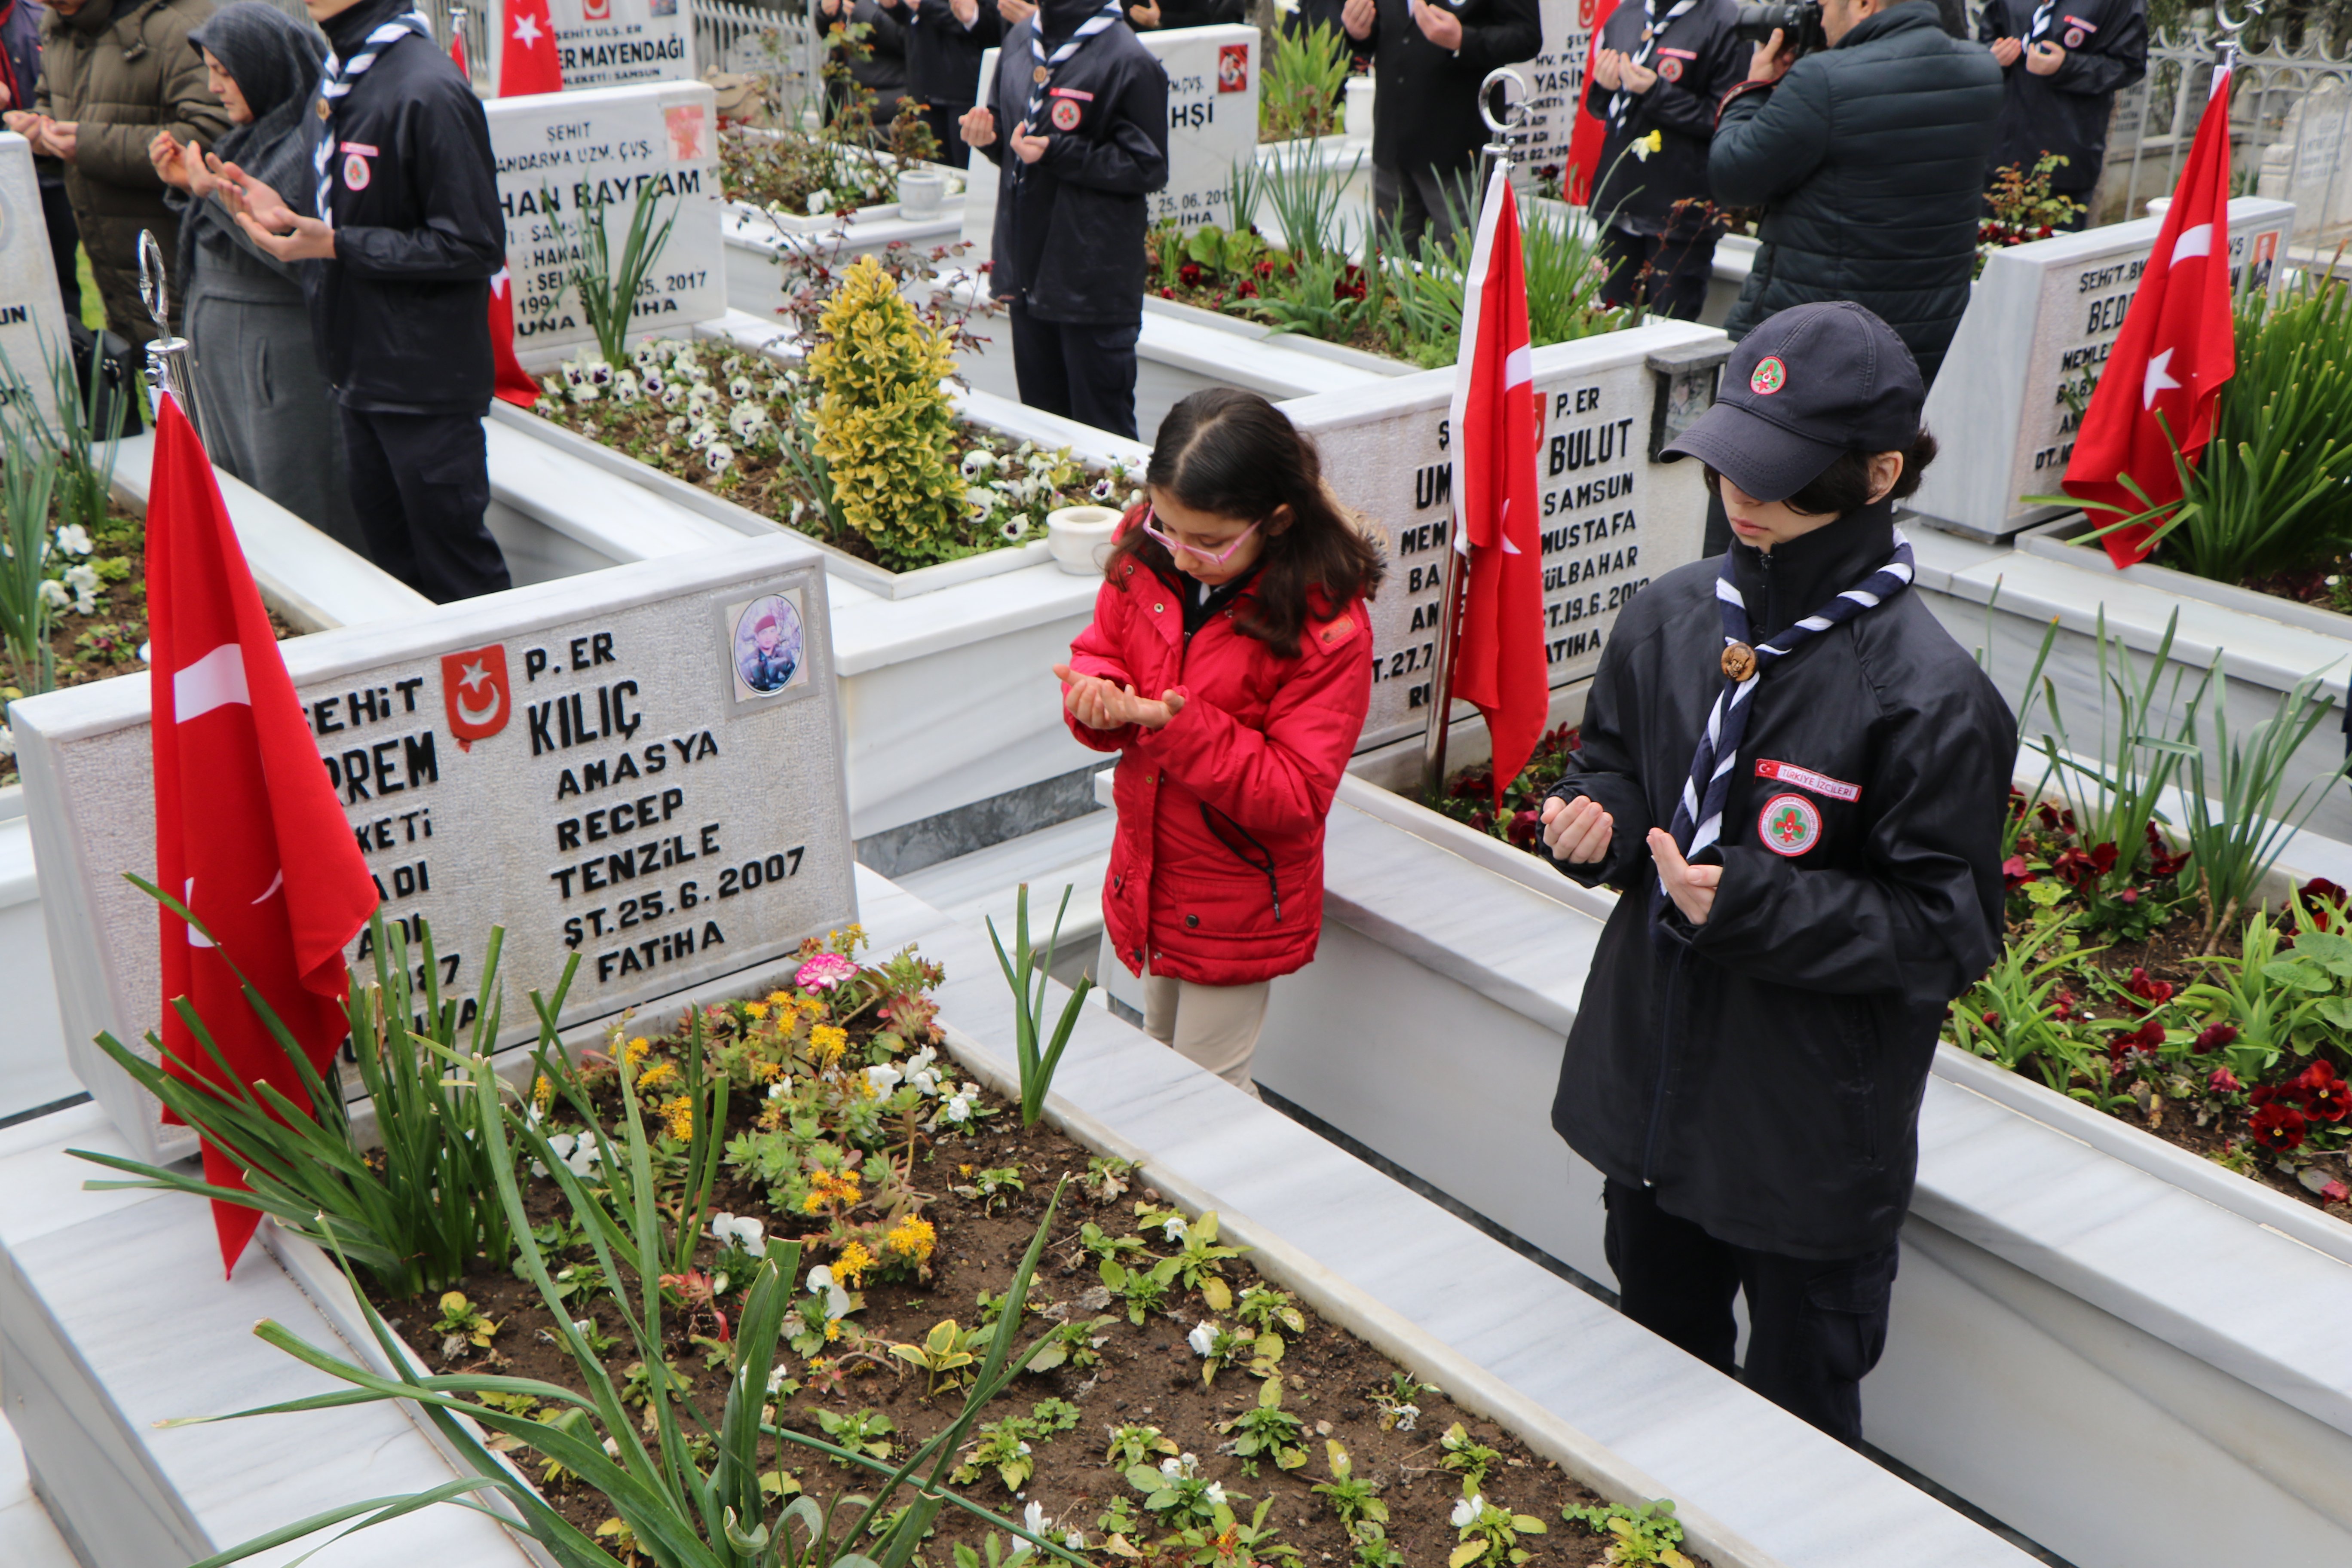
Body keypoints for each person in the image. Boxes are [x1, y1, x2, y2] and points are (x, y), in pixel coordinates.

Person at [1536, 302, 2012, 1446]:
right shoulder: (1671, 619)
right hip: (1652, 1114)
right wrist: (1601, 812)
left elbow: (1944, 930)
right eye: (1731, 465)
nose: (1740, 497)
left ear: (1880, 472)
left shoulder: (1928, 698)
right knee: (1655, 1384)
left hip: (1803, 1153)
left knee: (1798, 1428)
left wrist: (1749, 902)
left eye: (1783, 478)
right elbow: (1619, 756)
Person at [1054, 388, 1384, 1095]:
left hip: (1238, 893)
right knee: (1156, 1056)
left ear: (1278, 520)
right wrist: (1097, 695)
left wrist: (1169, 724)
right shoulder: (1145, 554)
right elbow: (1103, 646)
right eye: (1167, 526)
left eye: (1208, 541)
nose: (1183, 552)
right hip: (1151, 868)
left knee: (1207, 1089)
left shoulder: (1326, 625)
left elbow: (1297, 795)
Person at [214, 0, 511, 604]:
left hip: (423, 389)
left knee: (459, 574)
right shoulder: (342, 74)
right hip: (356, 374)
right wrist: (280, 207)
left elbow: (474, 244)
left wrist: (341, 244)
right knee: (394, 573)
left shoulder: (427, 89)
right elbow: (343, 207)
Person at [147, 2, 359, 551]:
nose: (215, 88)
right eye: (211, 71)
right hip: (234, 366)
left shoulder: (307, 146)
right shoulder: (253, 137)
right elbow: (225, 235)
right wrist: (188, 186)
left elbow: (289, 254)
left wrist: (211, 196)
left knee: (299, 508)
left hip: (277, 372)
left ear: (265, 66)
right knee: (252, 507)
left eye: (225, 71)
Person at [1707, 0, 2002, 386]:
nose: (1821, 16)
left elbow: (1733, 178)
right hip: (1924, 339)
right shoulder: (1982, 71)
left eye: (1825, 5)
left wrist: (1753, 89)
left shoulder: (1824, 80)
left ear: (1864, 5)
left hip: (1816, 341)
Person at [961, 0, 1167, 439]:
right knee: (1043, 431)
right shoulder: (1020, 40)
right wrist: (991, 134)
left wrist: (1060, 152)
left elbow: (1148, 167)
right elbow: (1014, 135)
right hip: (1028, 275)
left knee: (1101, 434)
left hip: (1091, 284)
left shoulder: (1127, 59)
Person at [6, 0, 227, 352]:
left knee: (200, 387)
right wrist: (39, 129)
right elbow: (54, 100)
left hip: (195, 265)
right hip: (119, 266)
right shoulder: (58, 21)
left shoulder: (180, 24)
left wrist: (88, 143)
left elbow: (213, 137)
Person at [1580, 0, 1744, 320]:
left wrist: (1657, 92)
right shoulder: (1626, 13)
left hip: (1679, 213)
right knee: (1611, 326)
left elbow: (1726, 117)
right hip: (1618, 200)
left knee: (1669, 333)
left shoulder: (1726, 20)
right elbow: (1602, 110)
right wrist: (1603, 88)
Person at [1341, 0, 1539, 251]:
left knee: (1460, 266)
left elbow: (1528, 36)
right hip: (1392, 143)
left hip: (1457, 148)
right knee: (1392, 269)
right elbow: (1384, 27)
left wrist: (1463, 40)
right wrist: (1360, 33)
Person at [1979, 0, 2146, 227]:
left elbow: (2128, 65)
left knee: (2050, 255)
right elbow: (1987, 37)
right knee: (1991, 253)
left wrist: (2066, 67)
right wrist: (1992, 59)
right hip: (2001, 157)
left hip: (2065, 161)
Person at [1, 0, 84, 325]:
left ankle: (70, 361)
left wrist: (42, 123)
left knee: (60, 283)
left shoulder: (42, 21)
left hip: (49, 180)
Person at [884, 0, 999, 168]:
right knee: (929, 170)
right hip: (924, 87)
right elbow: (911, 20)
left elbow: (991, 27)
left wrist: (926, 6)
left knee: (966, 171)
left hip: (964, 91)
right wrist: (894, 7)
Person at [816, 0, 909, 126]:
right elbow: (828, 33)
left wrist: (865, 12)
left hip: (885, 108)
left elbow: (913, 40)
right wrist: (825, 13)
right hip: (842, 103)